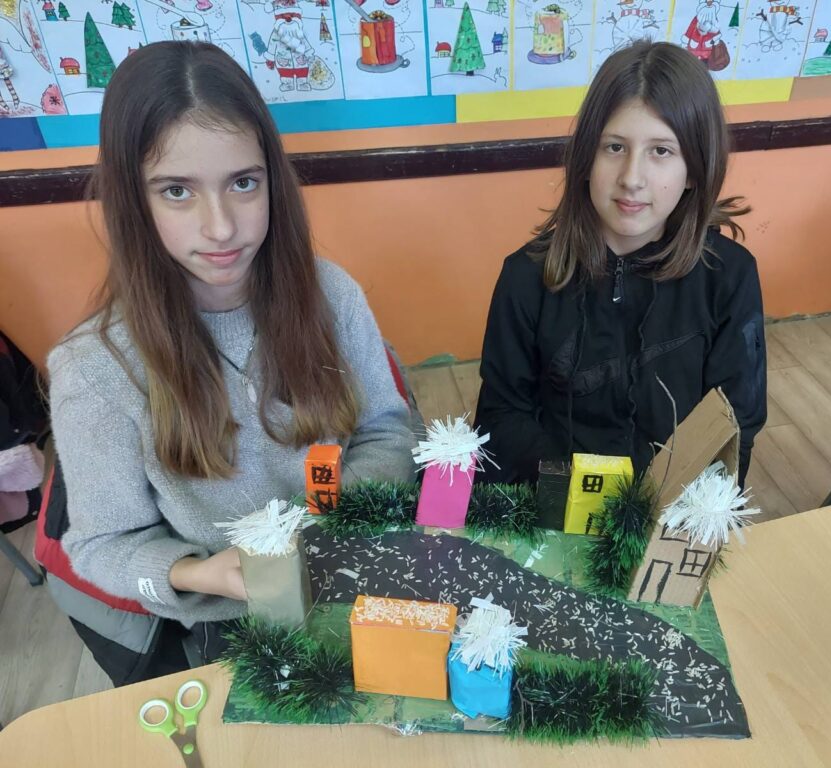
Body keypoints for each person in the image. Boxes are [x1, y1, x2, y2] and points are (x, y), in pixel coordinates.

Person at [47, 40, 415, 683]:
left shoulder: (332, 295)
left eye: (243, 183)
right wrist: (202, 573)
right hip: (233, 622)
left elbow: (386, 427)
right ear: (133, 201)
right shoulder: (94, 370)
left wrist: (335, 522)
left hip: (354, 565)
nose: (220, 227)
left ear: (272, 179)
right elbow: (100, 547)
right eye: (177, 191)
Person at [475, 40, 766, 487]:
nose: (632, 178)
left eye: (661, 151)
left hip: (674, 510)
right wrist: (580, 492)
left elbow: (734, 425)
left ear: (694, 169)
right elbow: (501, 416)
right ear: (586, 159)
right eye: (614, 147)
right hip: (554, 502)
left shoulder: (730, 277)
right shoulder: (525, 276)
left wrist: (667, 510)